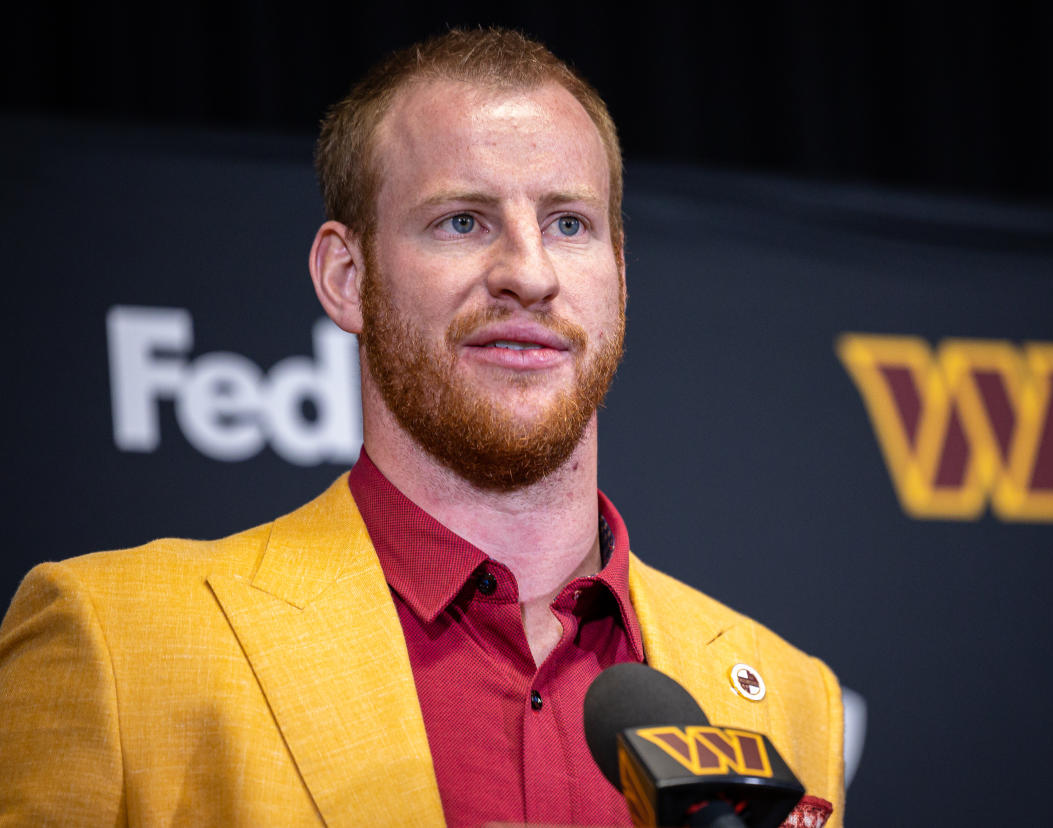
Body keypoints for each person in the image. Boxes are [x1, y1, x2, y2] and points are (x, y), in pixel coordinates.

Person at [0, 29, 844, 828]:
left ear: (620, 273)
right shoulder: (113, 642)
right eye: (463, 221)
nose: (529, 273)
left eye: (568, 224)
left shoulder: (788, 695)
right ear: (345, 275)